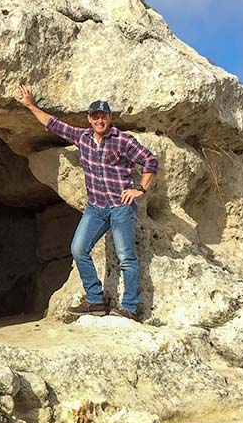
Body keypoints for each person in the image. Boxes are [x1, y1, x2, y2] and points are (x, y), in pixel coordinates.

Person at [15, 84, 158, 320]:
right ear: (89, 119)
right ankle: (95, 301)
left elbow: (150, 161)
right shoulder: (82, 137)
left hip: (120, 207)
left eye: (104, 116)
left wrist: (140, 188)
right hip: (96, 208)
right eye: (95, 116)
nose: (100, 120)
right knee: (78, 249)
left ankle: (129, 309)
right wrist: (31, 105)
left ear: (110, 118)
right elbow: (53, 124)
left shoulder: (122, 140)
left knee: (126, 257)